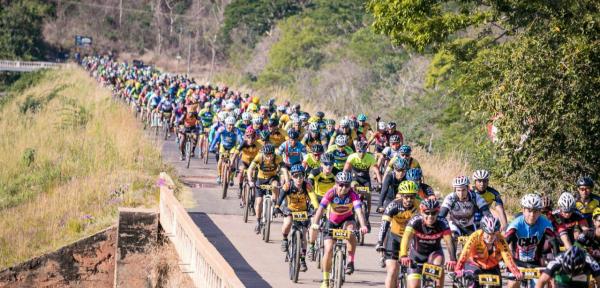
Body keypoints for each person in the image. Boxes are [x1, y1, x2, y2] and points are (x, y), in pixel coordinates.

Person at [310, 172, 369, 288]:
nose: (344, 188)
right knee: (328, 250)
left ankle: (351, 261)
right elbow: (321, 209)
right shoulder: (331, 193)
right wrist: (315, 224)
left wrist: (363, 225)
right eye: (341, 185)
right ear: (336, 184)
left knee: (351, 231)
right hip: (332, 222)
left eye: (347, 185)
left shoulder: (352, 194)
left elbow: (358, 211)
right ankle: (325, 279)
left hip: (347, 219)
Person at [399, 199, 457, 288]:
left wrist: (453, 259)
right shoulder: (415, 221)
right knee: (414, 286)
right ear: (422, 212)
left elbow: (449, 241)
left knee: (438, 266)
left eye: (433, 213)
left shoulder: (442, 222)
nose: (430, 216)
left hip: (434, 254)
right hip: (416, 256)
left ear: (438, 213)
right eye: (427, 213)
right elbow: (406, 238)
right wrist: (403, 255)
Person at [505, 193, 559, 288]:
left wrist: (557, 262)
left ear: (540, 212)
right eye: (529, 211)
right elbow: (504, 243)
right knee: (512, 284)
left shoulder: (545, 223)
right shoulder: (515, 224)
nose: (532, 215)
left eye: (535, 211)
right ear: (523, 210)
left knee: (543, 284)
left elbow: (554, 243)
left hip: (535, 264)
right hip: (517, 263)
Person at [454, 215, 523, 287]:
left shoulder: (500, 239)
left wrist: (516, 272)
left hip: (492, 266)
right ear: (483, 230)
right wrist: (458, 269)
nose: (490, 237)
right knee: (472, 284)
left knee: (497, 286)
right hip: (474, 264)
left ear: (497, 232)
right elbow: (465, 253)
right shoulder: (475, 236)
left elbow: (507, 257)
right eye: (488, 233)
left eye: (493, 234)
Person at [376, 181, 420, 288]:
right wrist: (380, 242)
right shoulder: (393, 205)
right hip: (394, 238)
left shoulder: (419, 207)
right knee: (392, 271)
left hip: (411, 239)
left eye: (412, 197)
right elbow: (384, 225)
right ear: (401, 195)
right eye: (406, 197)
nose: (409, 200)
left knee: (416, 272)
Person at [274, 164, 312, 272]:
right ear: (292, 177)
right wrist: (277, 206)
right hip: (290, 209)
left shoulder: (307, 185)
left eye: (301, 175)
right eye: (296, 176)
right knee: (288, 222)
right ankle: (285, 239)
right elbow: (280, 197)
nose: (299, 178)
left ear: (304, 176)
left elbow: (313, 198)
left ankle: (303, 259)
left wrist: (315, 208)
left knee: (304, 234)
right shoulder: (288, 186)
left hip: (303, 211)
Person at [439, 176, 491, 244]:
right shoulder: (450, 198)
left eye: (463, 190)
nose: (461, 193)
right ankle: (453, 254)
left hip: (470, 225)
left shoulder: (475, 197)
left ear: (468, 188)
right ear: (455, 190)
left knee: (476, 246)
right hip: (455, 225)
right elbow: (442, 214)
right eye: (458, 190)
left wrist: (490, 224)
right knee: (452, 238)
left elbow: (486, 212)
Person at [344, 140, 382, 230]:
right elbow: (346, 169)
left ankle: (367, 217)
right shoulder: (352, 157)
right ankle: (350, 212)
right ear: (356, 150)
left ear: (366, 150)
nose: (361, 153)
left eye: (363, 151)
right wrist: (344, 179)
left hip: (365, 179)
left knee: (368, 196)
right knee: (353, 187)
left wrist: (380, 183)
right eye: (359, 151)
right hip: (355, 178)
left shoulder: (370, 157)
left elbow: (376, 170)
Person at [247, 144, 285, 234]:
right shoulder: (259, 157)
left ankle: (275, 204)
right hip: (260, 180)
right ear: (263, 154)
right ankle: (258, 221)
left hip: (272, 178)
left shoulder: (277, 157)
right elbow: (250, 169)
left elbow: (284, 170)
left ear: (273, 154)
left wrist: (285, 181)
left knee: (275, 185)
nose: (269, 157)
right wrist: (250, 180)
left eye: (270, 155)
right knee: (259, 202)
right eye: (266, 155)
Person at [536, 246, 600, 288]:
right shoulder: (556, 261)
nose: (572, 274)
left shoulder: (591, 262)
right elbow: (541, 281)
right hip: (562, 283)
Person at [210, 116, 242, 185]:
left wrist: (241, 147)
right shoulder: (221, 129)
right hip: (223, 146)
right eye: (229, 125)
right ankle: (219, 176)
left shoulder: (237, 130)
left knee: (232, 162)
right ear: (226, 124)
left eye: (232, 125)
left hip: (232, 147)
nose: (231, 126)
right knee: (220, 160)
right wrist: (211, 147)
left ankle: (231, 178)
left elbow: (240, 140)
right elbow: (216, 138)